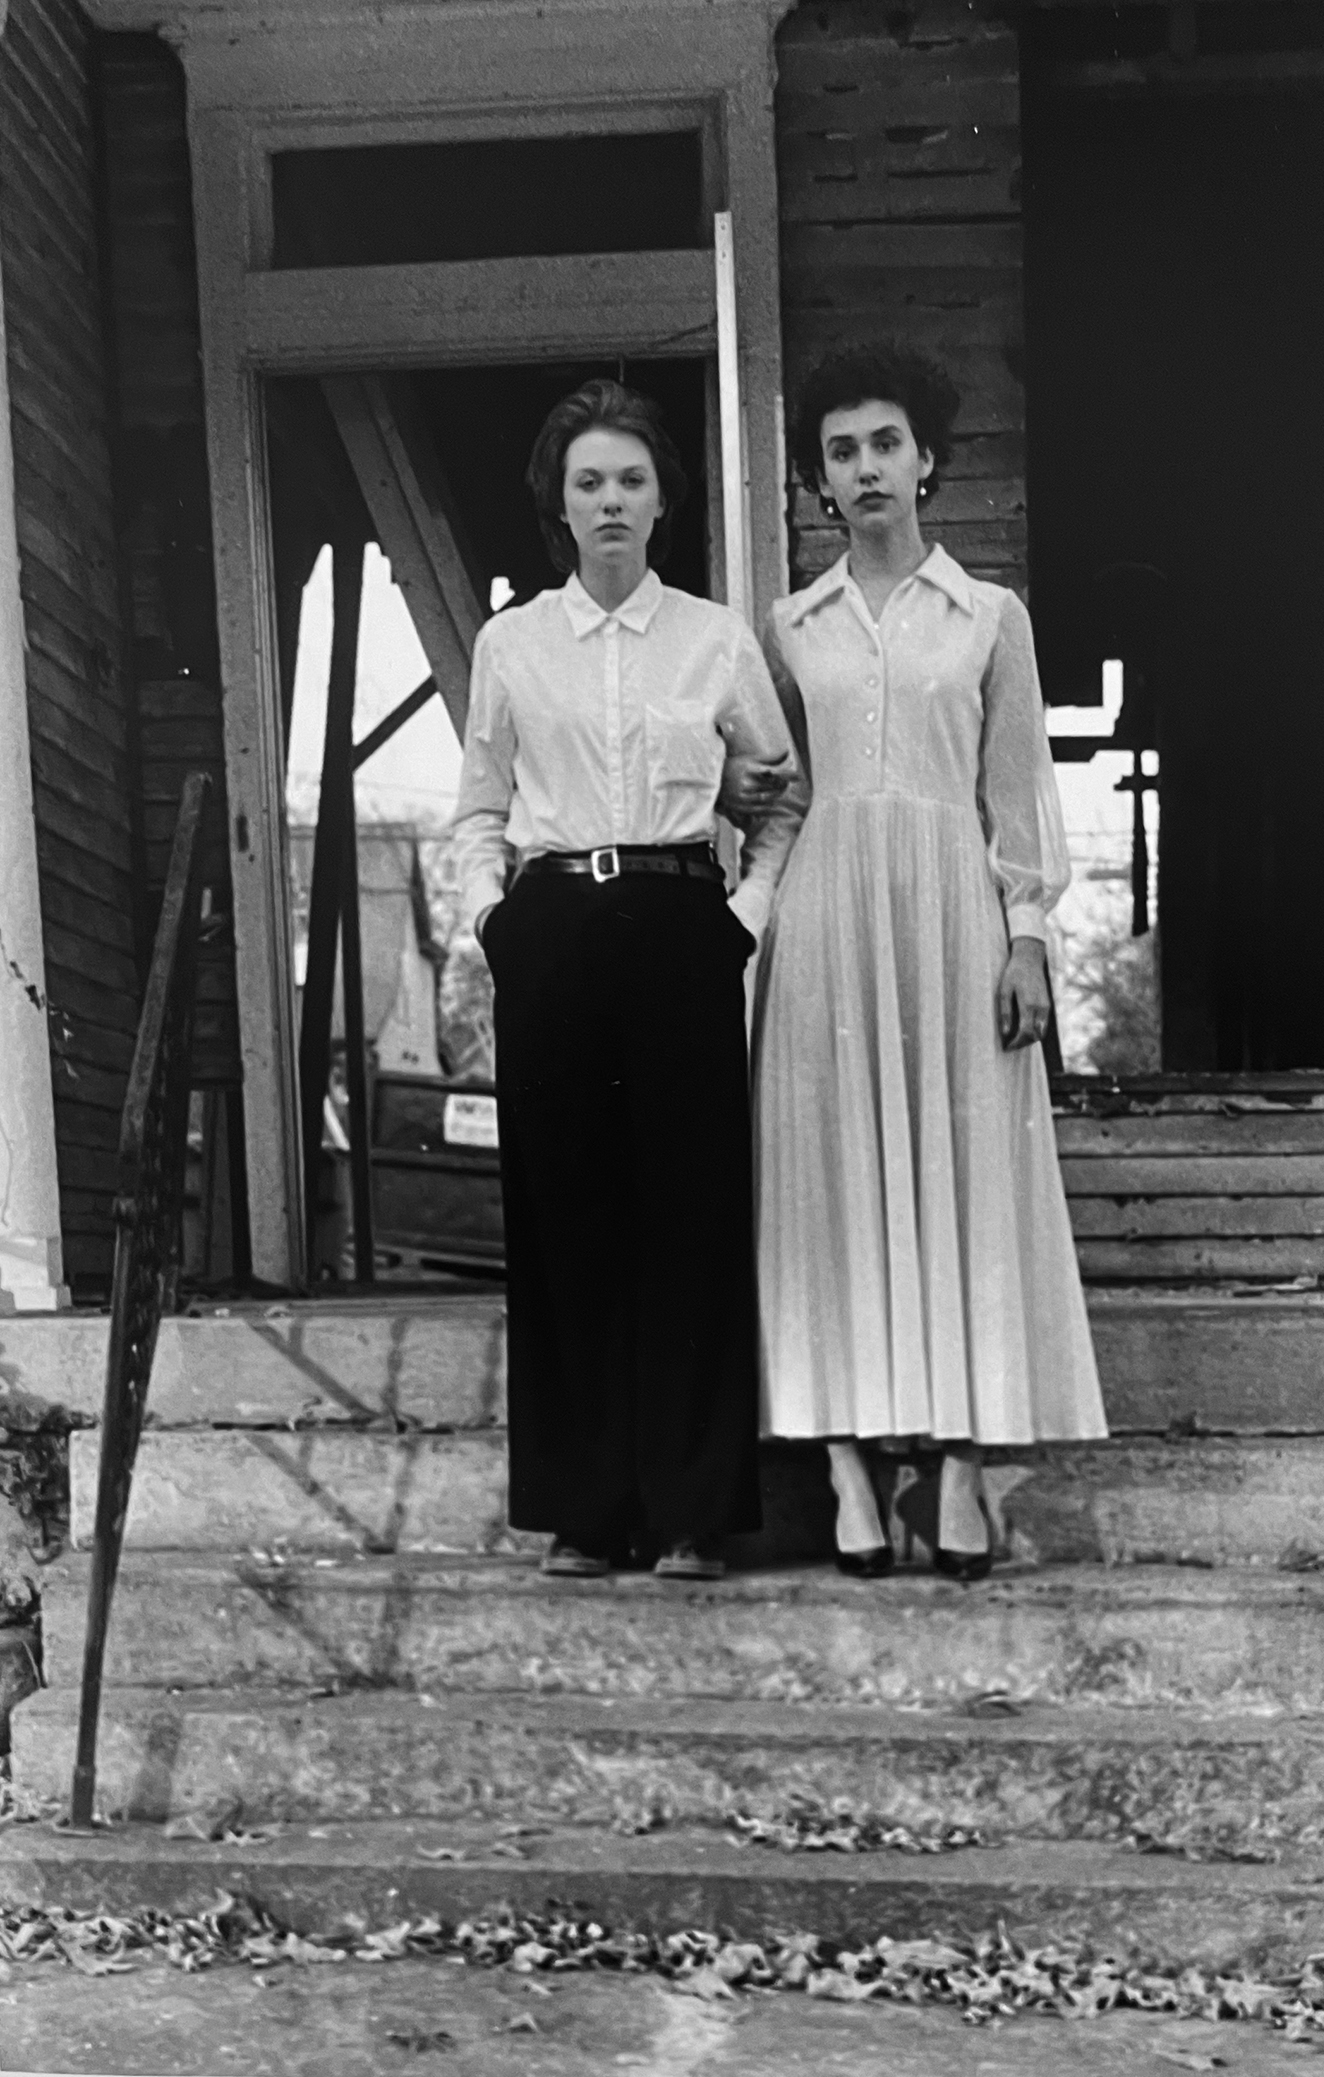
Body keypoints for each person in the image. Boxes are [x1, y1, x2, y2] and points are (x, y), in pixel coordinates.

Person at [751, 345, 1107, 1581]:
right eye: (839, 452)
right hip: (827, 927)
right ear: (817, 480)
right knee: (834, 1185)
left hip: (956, 913)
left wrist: (1028, 939)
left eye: (883, 444)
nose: (864, 470)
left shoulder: (988, 616)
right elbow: (771, 798)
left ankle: (955, 1464)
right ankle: (850, 1463)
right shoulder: (788, 625)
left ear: (927, 460)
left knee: (967, 1176)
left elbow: (1020, 799)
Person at [452, 379, 802, 1581]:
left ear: (664, 501)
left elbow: (781, 792)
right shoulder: (513, 644)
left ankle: (695, 1507)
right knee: (567, 1214)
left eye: (632, 480)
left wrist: (742, 919)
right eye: (590, 480)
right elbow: (480, 809)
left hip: (676, 923)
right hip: (552, 928)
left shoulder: (714, 639)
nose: (611, 501)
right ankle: (587, 1507)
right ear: (560, 500)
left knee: (690, 1212)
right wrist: (497, 920)